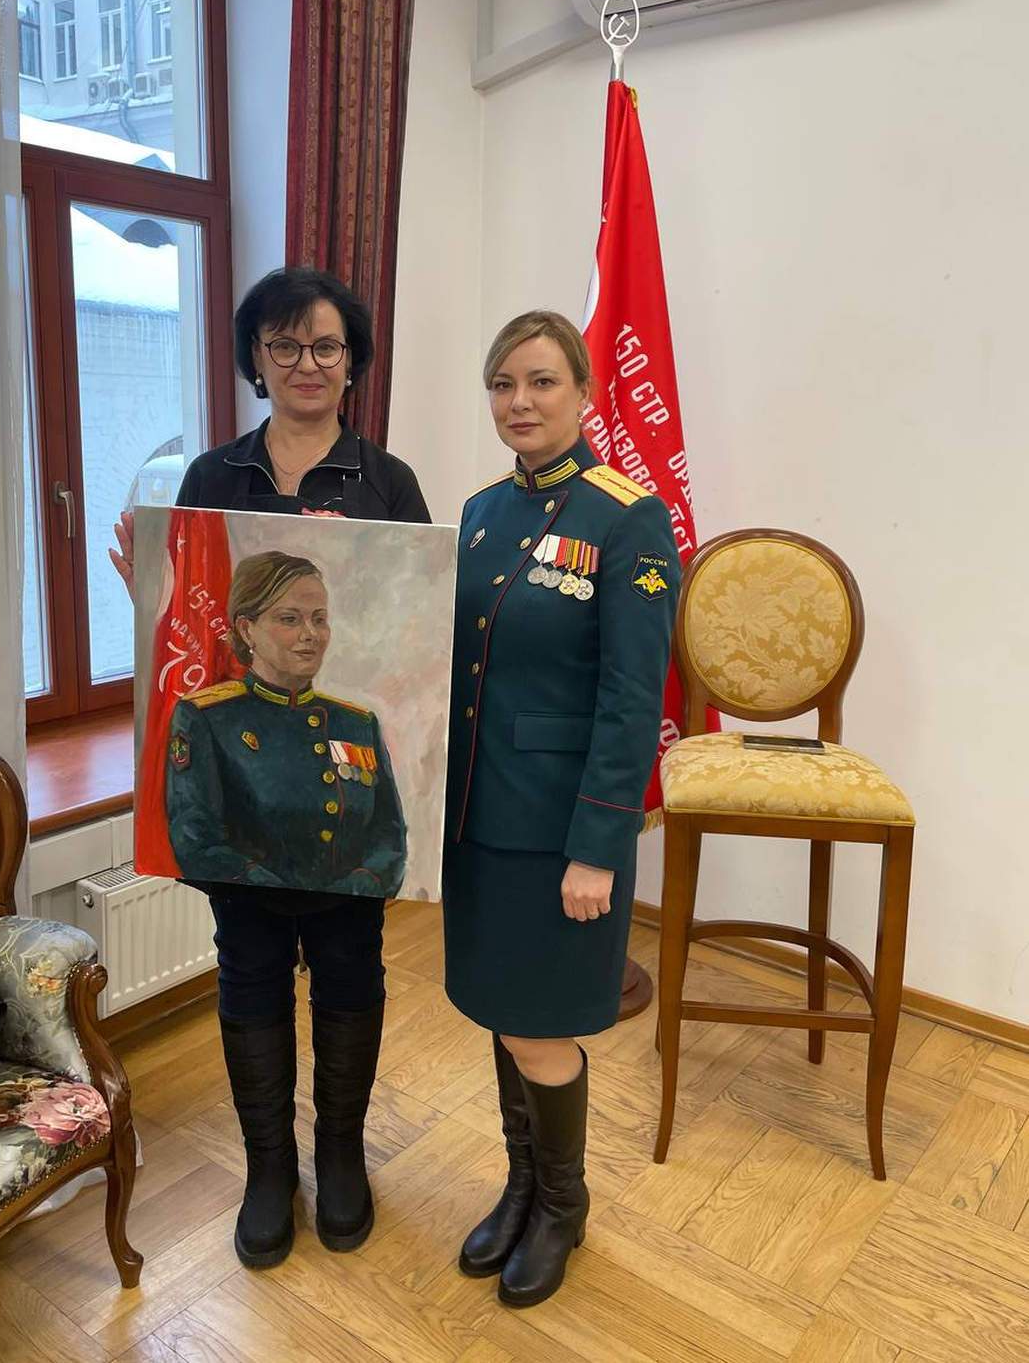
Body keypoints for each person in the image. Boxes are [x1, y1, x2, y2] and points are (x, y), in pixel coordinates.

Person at [110, 267, 430, 1270]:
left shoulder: (388, 481)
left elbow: (421, 620)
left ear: (352, 362)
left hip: (342, 829)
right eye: (284, 345)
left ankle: (340, 1154)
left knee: (350, 977)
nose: (305, 363)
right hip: (243, 817)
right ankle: (267, 1167)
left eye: (325, 346)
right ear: (256, 357)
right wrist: (149, 585)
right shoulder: (213, 475)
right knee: (249, 977)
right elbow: (190, 627)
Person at [442, 310, 681, 1308]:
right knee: (506, 1014)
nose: (520, 402)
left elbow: (633, 697)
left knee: (541, 1027)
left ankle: (564, 1207)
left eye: (541, 381)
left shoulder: (628, 518)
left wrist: (600, 846)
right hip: (478, 819)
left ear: (583, 393)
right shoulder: (480, 511)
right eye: (503, 383)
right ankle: (522, 1188)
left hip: (559, 827)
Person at [166, 550, 407, 899]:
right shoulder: (207, 718)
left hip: (351, 910)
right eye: (290, 619)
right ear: (247, 629)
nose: (310, 634)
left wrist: (362, 884)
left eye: (319, 619)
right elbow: (195, 839)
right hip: (255, 909)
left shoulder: (357, 723)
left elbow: (389, 834)